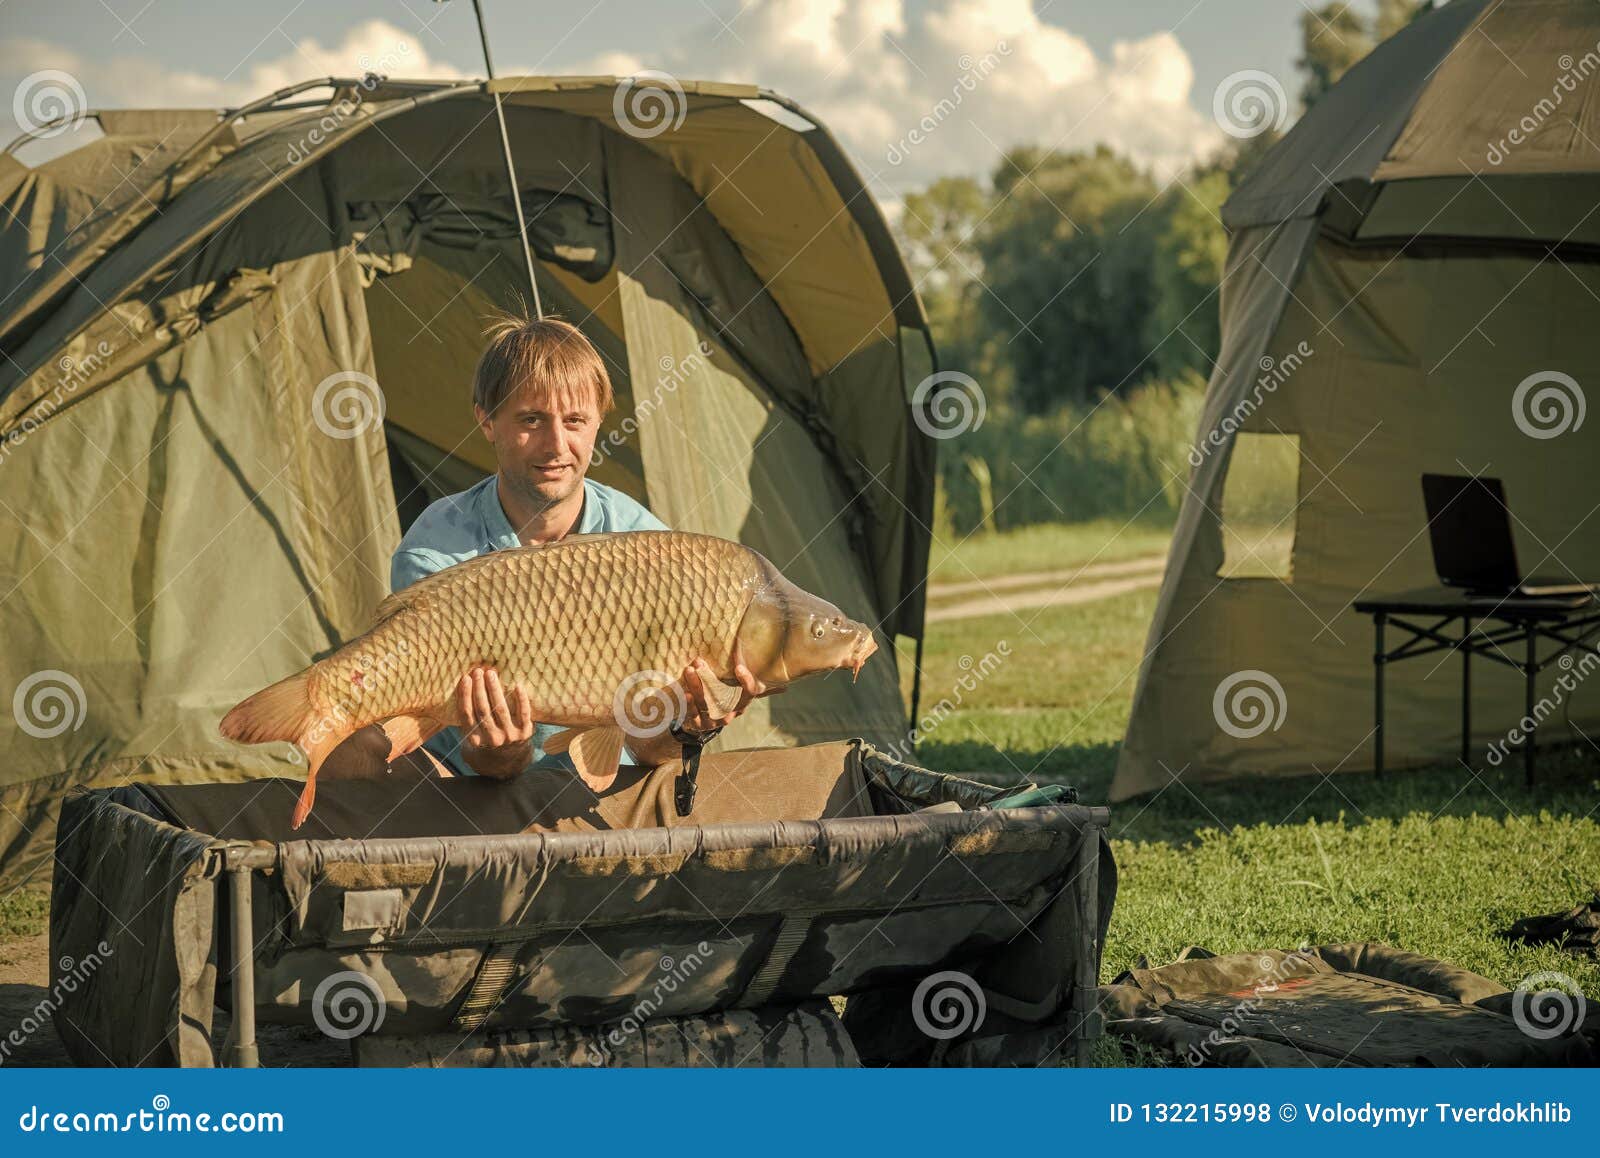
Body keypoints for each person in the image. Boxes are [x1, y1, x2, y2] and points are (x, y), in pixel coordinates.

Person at [320, 313, 774, 784]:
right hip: (466, 790)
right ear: (487, 420)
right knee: (355, 751)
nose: (556, 445)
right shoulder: (436, 551)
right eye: (532, 420)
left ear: (599, 422)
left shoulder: (647, 546)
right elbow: (482, 761)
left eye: (575, 420)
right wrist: (502, 750)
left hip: (603, 787)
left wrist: (690, 725)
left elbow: (650, 751)